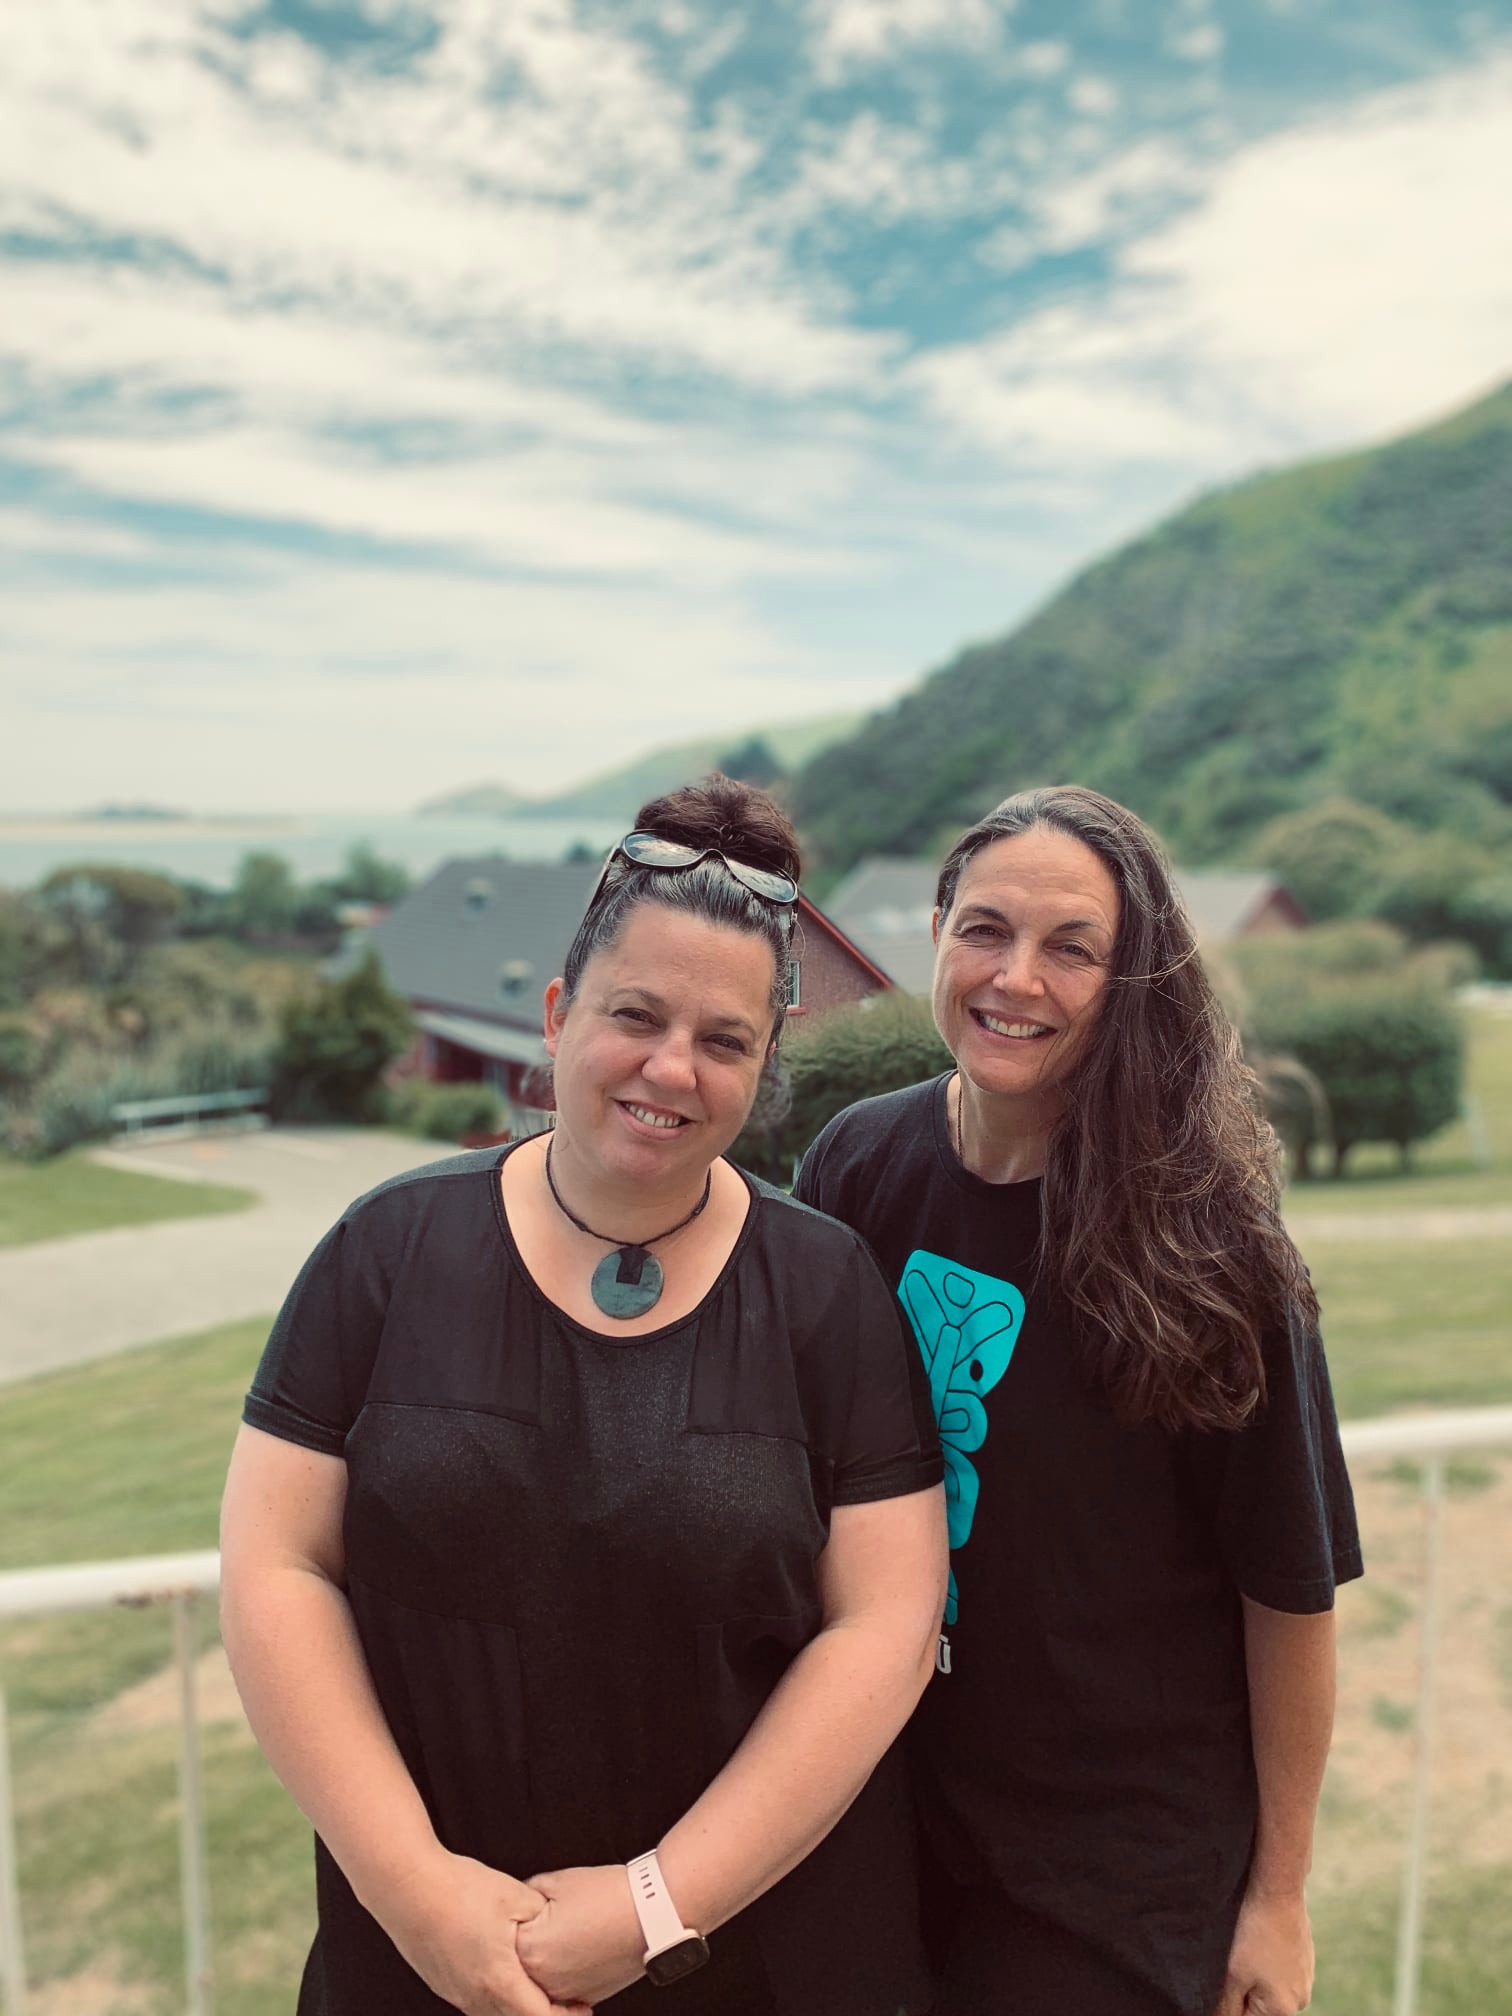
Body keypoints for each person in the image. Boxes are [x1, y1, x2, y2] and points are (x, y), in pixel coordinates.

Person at [220, 776, 947, 2016]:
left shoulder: (825, 1289)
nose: (672, 1068)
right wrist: (419, 1897)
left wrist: (655, 1906)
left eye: (725, 1041)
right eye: (636, 1015)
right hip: (419, 1967)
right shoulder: (384, 1253)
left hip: (752, 1966)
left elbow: (883, 1623)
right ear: (558, 1015)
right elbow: (277, 1566)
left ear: (764, 1064)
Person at [794, 784, 1362, 2016]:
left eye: (1073, 949)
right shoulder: (853, 1164)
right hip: (887, 1818)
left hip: (1112, 1872)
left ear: (1132, 979)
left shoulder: (1211, 1249)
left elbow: (1289, 1591)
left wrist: (1277, 1898)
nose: (1018, 979)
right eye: (986, 929)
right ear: (936, 931)